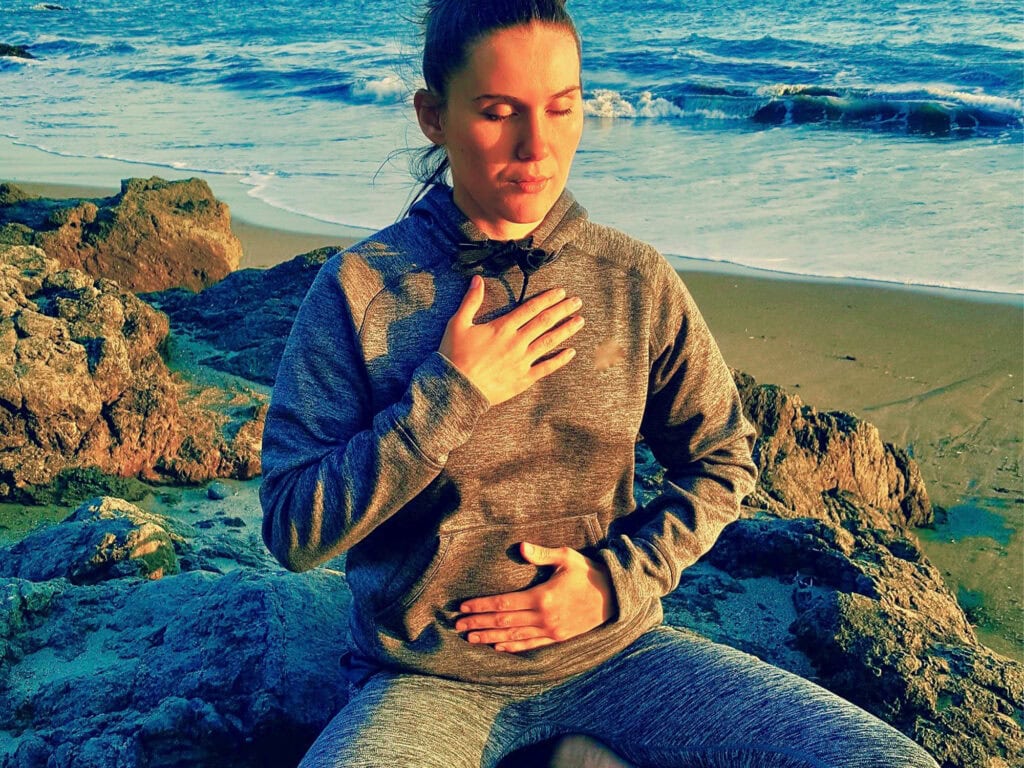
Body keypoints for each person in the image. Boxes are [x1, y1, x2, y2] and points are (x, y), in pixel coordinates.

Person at [259, 2, 941, 766]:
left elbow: (723, 460)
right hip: (424, 681)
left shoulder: (631, 281)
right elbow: (292, 528)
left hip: (618, 659)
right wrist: (451, 393)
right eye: (498, 112)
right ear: (433, 117)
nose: (537, 146)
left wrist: (614, 582)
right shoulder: (360, 291)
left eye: (562, 107)